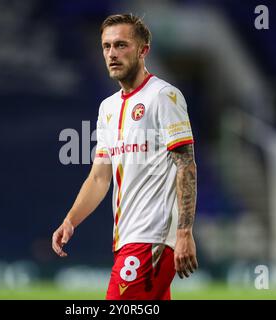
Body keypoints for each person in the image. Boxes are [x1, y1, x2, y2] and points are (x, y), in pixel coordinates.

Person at [52, 13, 198, 300]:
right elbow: (99, 176)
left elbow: (186, 165)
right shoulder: (107, 108)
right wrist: (71, 220)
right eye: (106, 46)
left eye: (121, 45)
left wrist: (183, 233)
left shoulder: (163, 97)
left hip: (153, 240)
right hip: (127, 237)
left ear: (143, 50)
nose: (112, 54)